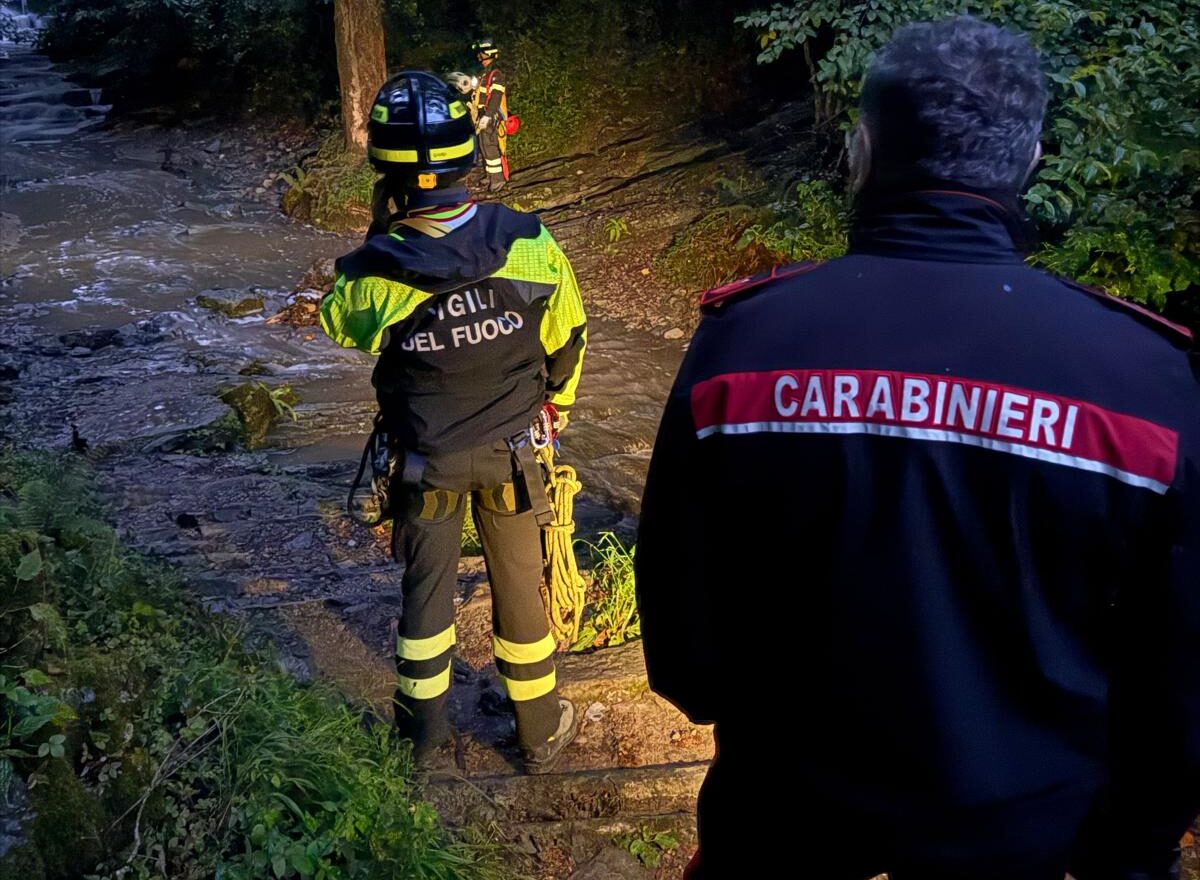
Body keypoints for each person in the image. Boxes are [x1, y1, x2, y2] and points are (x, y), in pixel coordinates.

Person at [635, 17, 1198, 880]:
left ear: (862, 149)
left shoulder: (741, 352)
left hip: (783, 833)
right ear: (1035, 158)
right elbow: (1180, 682)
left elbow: (686, 653)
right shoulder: (1147, 386)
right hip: (1037, 845)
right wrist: (1134, 848)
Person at [320, 70, 587, 774]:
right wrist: (553, 403)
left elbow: (337, 321)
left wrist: (386, 235)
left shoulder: (373, 274)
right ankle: (538, 730)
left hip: (425, 462)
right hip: (515, 456)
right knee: (522, 589)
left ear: (385, 175)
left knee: (425, 594)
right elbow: (568, 338)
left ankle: (420, 735)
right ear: (471, 157)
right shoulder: (530, 241)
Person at [470, 38, 510, 192]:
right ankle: (490, 174)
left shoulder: (496, 74)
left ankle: (497, 179)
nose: (481, 59)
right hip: (481, 114)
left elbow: (496, 97)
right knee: (483, 146)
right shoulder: (484, 74)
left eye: (483, 56)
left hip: (491, 115)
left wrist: (488, 115)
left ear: (490, 55)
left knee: (490, 146)